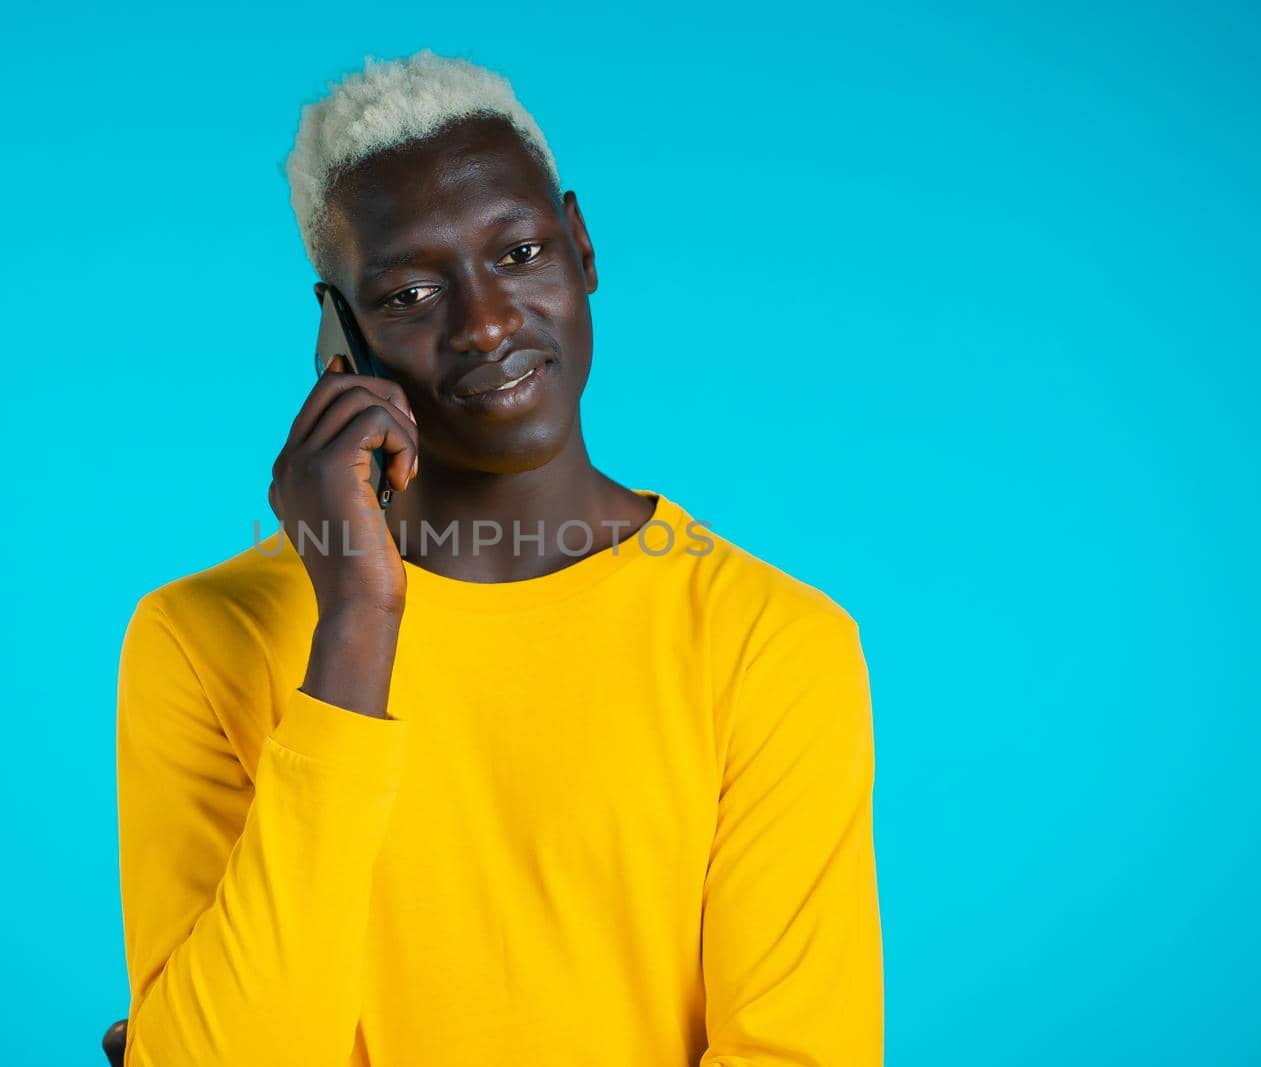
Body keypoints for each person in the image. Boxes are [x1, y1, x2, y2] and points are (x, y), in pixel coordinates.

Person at [113, 48, 884, 1066]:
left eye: (518, 254)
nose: (484, 324)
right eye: (407, 294)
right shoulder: (200, 639)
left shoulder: (770, 644)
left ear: (580, 245)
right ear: (338, 334)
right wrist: (354, 622)